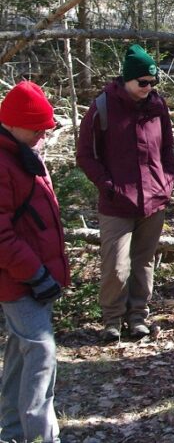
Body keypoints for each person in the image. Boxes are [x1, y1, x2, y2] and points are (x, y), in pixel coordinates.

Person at [77, 43, 174, 341]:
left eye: (152, 82)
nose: (148, 87)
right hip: (116, 204)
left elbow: (168, 149)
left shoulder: (157, 106)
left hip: (154, 201)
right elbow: (85, 155)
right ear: (127, 79)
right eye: (143, 82)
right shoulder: (103, 107)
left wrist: (168, 181)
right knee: (116, 266)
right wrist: (108, 187)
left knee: (143, 263)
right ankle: (111, 320)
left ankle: (138, 317)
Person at [0, 82, 70, 443]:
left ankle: (11, 432)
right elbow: (2, 236)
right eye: (37, 128)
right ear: (13, 124)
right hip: (17, 281)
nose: (43, 134)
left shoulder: (23, 153)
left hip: (29, 278)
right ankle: (41, 437)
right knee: (41, 352)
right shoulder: (3, 162)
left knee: (20, 350)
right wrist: (36, 273)